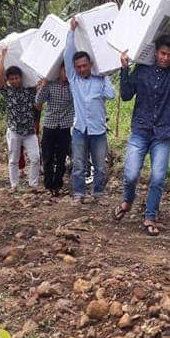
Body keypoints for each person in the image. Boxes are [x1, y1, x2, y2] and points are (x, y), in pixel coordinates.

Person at [114, 0, 170, 236]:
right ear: (156, 52)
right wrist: (124, 69)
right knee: (130, 174)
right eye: (163, 53)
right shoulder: (143, 69)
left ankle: (150, 216)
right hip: (140, 130)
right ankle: (127, 201)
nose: (166, 58)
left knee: (158, 177)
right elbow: (127, 95)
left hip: (163, 132)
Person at [64, 19, 116, 203]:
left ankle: (99, 193)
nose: (81, 69)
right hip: (79, 129)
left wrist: (104, 74)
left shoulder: (100, 80)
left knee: (100, 166)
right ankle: (79, 194)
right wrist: (71, 31)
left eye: (84, 65)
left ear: (90, 64)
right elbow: (67, 54)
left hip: (98, 131)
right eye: (78, 67)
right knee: (78, 164)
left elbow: (111, 95)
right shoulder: (73, 80)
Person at [0, 48, 40, 192]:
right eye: (12, 79)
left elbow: (38, 81)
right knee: (13, 160)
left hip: (29, 131)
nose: (14, 81)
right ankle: (14, 185)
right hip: (14, 131)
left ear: (21, 78)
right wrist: (2, 56)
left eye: (17, 78)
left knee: (35, 158)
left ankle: (33, 184)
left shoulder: (30, 91)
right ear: (9, 81)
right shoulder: (7, 92)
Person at [35, 62, 74, 196]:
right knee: (48, 157)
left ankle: (58, 183)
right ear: (59, 71)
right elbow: (38, 101)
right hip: (49, 126)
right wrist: (43, 85)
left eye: (69, 71)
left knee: (62, 157)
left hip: (64, 127)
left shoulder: (73, 87)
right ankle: (48, 184)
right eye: (65, 71)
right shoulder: (50, 84)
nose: (66, 74)